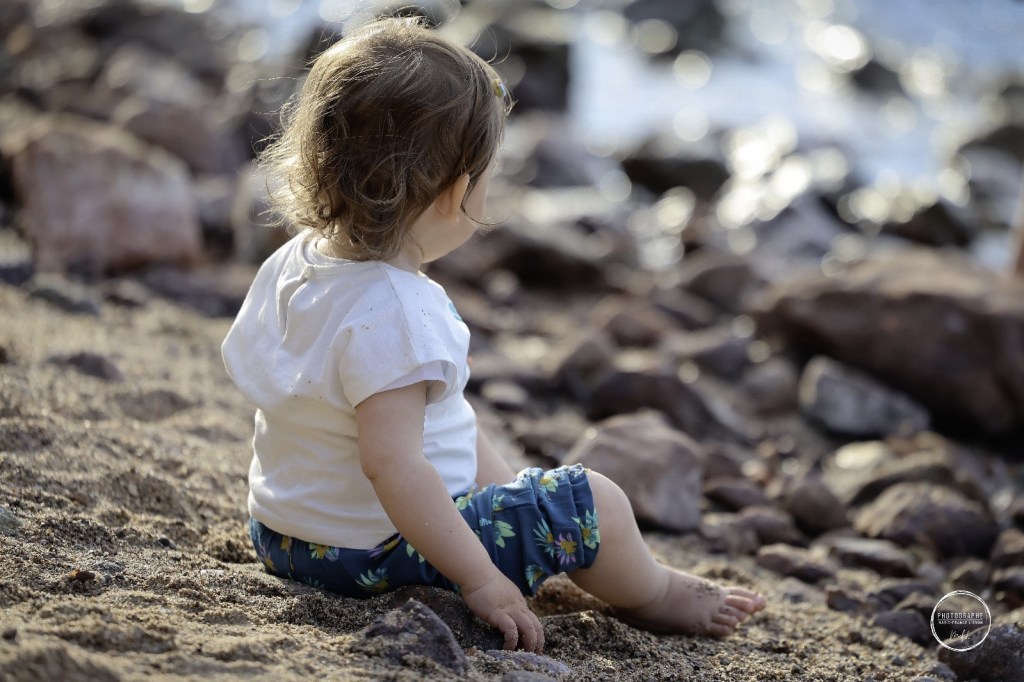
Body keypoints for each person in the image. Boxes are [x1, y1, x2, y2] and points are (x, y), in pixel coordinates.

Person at [222, 16, 764, 654]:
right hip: (367, 555)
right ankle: (655, 593)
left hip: (282, 536)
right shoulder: (396, 312)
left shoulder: (297, 262)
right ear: (455, 195)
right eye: (487, 176)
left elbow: (346, 407)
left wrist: (502, 491)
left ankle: (506, 511)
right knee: (593, 503)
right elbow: (392, 465)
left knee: (465, 436)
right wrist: (480, 579)